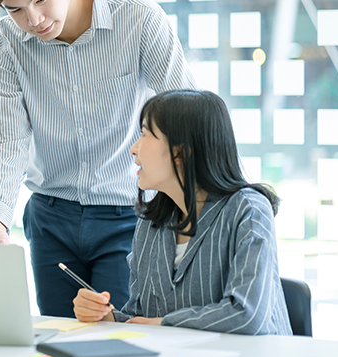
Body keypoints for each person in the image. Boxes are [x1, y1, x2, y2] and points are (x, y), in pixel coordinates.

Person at [0, 0, 197, 317]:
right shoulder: (7, 41)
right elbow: (6, 138)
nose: (33, 20)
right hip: (51, 218)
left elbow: (187, 116)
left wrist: (207, 204)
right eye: (15, 9)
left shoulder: (138, 20)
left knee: (121, 333)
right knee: (60, 336)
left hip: (129, 215)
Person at [72, 90, 292, 335]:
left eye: (144, 134)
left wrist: (164, 323)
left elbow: (247, 315)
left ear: (180, 152)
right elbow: (141, 317)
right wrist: (107, 316)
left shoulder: (248, 210)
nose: (134, 149)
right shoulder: (151, 222)